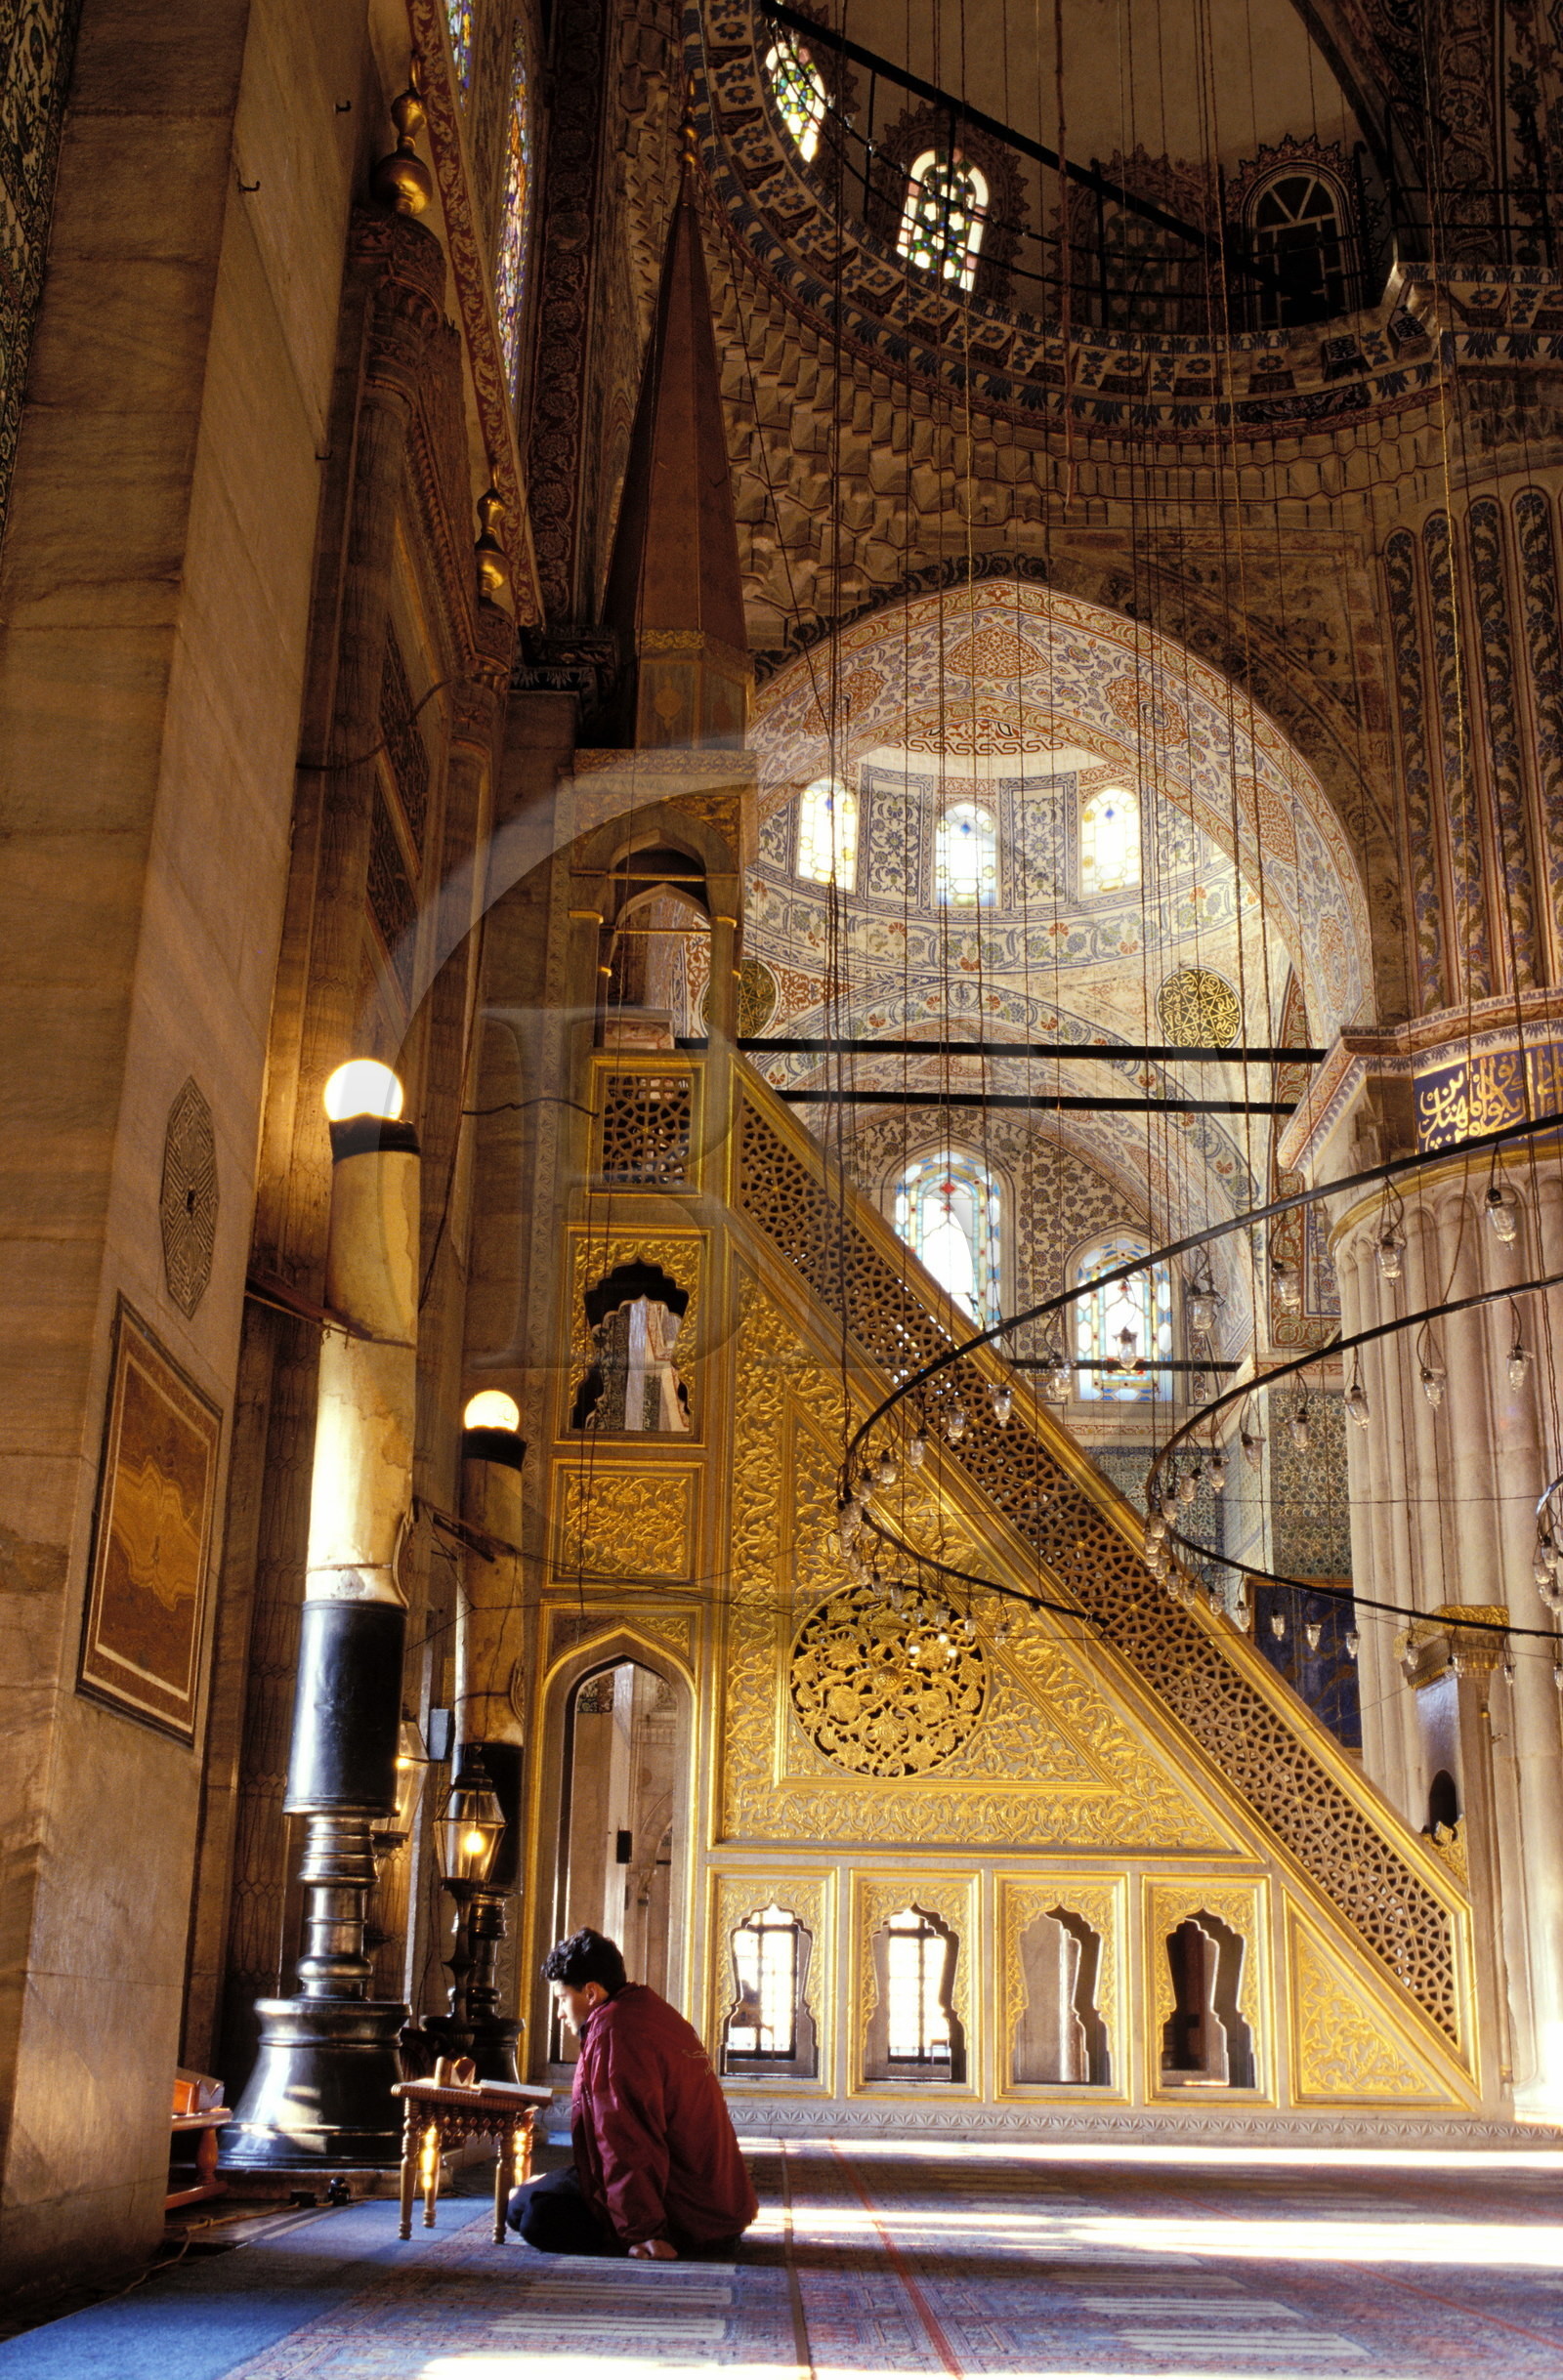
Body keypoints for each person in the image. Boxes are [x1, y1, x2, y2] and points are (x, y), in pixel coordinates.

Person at [508, 1928, 758, 2260]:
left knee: (533, 2217)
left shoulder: (615, 2032)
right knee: (521, 2200)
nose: (559, 2013)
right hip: (716, 2207)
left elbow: (627, 2141)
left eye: (562, 1999)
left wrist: (644, 2232)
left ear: (592, 1992)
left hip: (687, 2217)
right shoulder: (646, 2010)